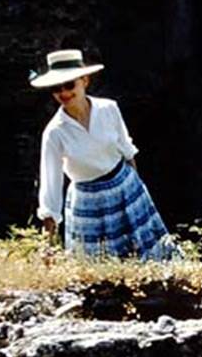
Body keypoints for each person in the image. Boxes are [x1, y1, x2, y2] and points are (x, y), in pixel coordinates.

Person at [30, 49, 179, 261]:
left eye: (70, 85)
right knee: (96, 268)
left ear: (85, 81)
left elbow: (126, 150)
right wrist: (48, 242)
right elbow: (51, 187)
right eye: (56, 88)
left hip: (125, 189)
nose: (64, 93)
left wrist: (137, 192)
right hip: (87, 203)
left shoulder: (108, 108)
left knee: (149, 258)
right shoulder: (54, 132)